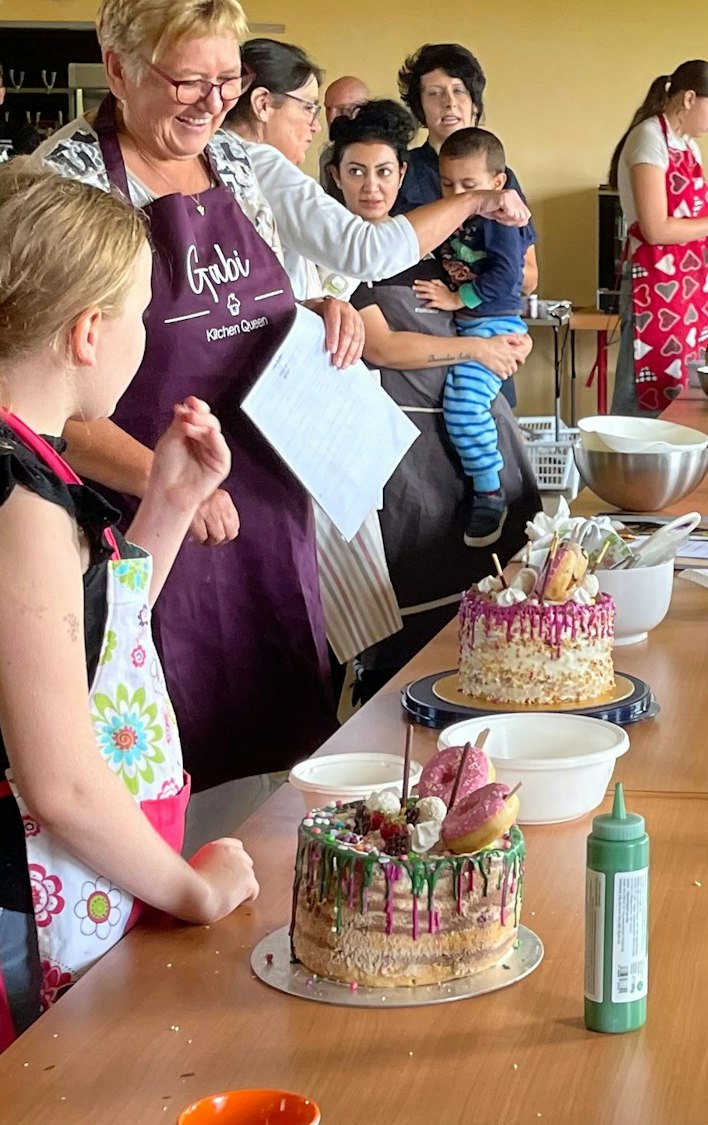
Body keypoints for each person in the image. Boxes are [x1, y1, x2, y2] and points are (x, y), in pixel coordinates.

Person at [36, 0, 359, 842]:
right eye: (188, 80)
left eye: (228, 80)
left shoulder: (238, 165)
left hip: (264, 504)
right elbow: (39, 394)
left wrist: (318, 310)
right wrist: (167, 483)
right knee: (156, 761)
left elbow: (262, 305)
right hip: (145, 519)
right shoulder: (66, 183)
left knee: (278, 755)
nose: (212, 102)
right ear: (117, 71)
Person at [0, 159, 258, 1047]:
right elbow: (62, 781)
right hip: (33, 927)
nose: (146, 336)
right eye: (140, 315)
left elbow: (88, 642)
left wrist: (171, 503)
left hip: (88, 883)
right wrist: (191, 888)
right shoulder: (18, 504)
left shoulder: (29, 463)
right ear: (85, 333)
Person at [326, 100, 538, 704]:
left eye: (386, 171)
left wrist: (503, 341)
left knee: (475, 628)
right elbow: (385, 347)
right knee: (405, 634)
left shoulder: (420, 242)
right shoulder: (341, 256)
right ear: (335, 176)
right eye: (358, 171)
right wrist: (480, 354)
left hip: (461, 457)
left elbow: (499, 285)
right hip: (402, 465)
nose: (373, 185)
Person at [224, 39, 529, 302]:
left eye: (384, 172)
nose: (316, 125)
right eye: (309, 107)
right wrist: (473, 201)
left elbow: (524, 273)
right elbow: (367, 250)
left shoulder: (227, 159)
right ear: (262, 104)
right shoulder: (259, 165)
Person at [608, 61, 708, 415]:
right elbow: (656, 229)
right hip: (655, 290)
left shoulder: (686, 146)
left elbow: (689, 227)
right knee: (644, 395)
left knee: (682, 393)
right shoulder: (649, 138)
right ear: (690, 99)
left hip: (690, 293)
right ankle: (629, 467)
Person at [410, 127, 528, 547]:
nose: (457, 194)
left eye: (469, 186)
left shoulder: (498, 221)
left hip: (493, 325)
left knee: (464, 405)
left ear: (497, 185)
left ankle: (490, 490)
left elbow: (506, 279)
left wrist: (456, 297)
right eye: (448, 184)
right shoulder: (454, 216)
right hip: (471, 327)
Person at [394, 44, 537, 300]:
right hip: (417, 313)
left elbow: (529, 278)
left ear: (474, 103)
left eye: (458, 91)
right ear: (420, 110)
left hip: (481, 312)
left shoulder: (500, 176)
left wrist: (466, 289)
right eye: (434, 93)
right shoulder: (402, 171)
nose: (449, 103)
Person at [317, 74, 368, 191]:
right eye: (328, 109)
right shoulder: (327, 156)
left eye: (343, 110)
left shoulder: (385, 153)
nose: (331, 118)